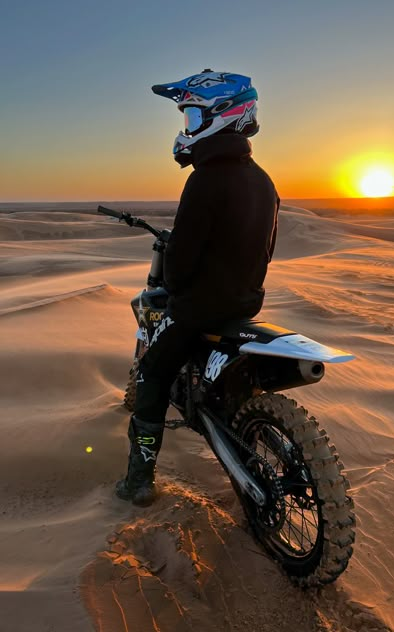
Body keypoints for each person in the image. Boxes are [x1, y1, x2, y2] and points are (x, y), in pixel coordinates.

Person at [116, 70, 279, 506]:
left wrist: (175, 280)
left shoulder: (205, 180)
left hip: (200, 308)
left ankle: (138, 481)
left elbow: (182, 266)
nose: (187, 125)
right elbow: (268, 249)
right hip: (246, 304)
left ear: (221, 116)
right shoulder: (263, 180)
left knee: (151, 375)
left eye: (192, 114)